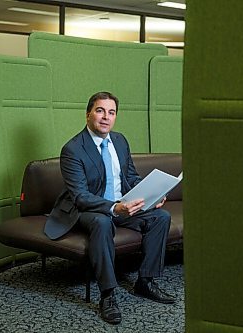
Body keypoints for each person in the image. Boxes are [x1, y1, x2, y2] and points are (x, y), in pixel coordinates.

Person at [44, 91, 175, 324]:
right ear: (88, 115)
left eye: (111, 112)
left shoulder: (120, 141)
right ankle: (108, 295)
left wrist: (153, 195)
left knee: (161, 217)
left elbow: (132, 177)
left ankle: (145, 282)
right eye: (100, 110)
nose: (106, 117)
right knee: (103, 222)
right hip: (86, 210)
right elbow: (81, 196)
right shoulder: (73, 149)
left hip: (121, 205)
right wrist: (115, 208)